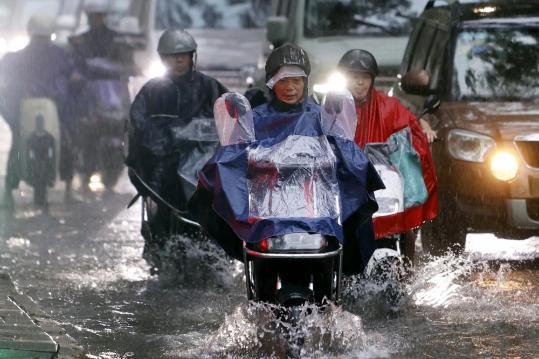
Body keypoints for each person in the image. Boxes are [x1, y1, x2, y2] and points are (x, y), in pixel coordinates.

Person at [189, 44, 384, 275]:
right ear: (271, 82)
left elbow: (346, 160)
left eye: (297, 80)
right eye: (283, 80)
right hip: (266, 219)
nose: (290, 87)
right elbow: (231, 162)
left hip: (317, 216)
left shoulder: (320, 119)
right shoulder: (254, 121)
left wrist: (360, 170)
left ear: (305, 82)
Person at [126, 29, 227, 268]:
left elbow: (231, 115)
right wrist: (162, 143)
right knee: (161, 202)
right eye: (173, 55)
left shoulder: (210, 87)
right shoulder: (152, 90)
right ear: (163, 58)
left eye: (183, 54)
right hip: (163, 166)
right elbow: (138, 124)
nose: (179, 60)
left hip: (202, 163)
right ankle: (161, 246)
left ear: (192, 56)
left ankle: (219, 248)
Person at [337, 49, 438, 262]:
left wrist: (422, 127)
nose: (360, 83)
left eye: (364, 77)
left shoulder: (388, 106)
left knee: (404, 223)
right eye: (354, 77)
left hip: (383, 181)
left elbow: (409, 125)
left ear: (372, 80)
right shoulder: (332, 108)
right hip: (344, 181)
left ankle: (407, 270)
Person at [0, 15, 79, 209]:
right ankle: (68, 185)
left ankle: (10, 189)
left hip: (37, 108)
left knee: (18, 143)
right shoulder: (60, 56)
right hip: (49, 108)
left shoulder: (19, 57)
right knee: (65, 140)